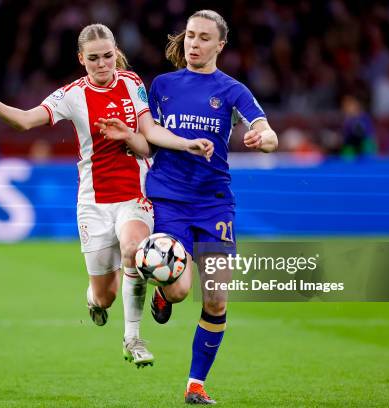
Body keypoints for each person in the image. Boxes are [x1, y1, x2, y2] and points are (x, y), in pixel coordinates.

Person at [0, 23, 213, 368]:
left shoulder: (132, 84)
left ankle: (133, 340)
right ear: (82, 59)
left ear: (115, 54)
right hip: (93, 204)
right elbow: (26, 120)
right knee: (104, 296)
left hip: (133, 197)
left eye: (108, 56)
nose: (103, 64)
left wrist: (183, 143)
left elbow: (148, 135)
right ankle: (94, 301)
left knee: (133, 250)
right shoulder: (71, 96)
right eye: (94, 58)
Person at [97, 10, 278, 404]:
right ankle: (163, 293)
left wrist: (261, 138)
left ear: (220, 46)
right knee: (179, 292)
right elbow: (150, 140)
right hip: (169, 200)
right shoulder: (162, 85)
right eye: (190, 36)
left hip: (214, 204)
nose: (193, 44)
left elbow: (267, 132)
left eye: (202, 38)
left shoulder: (233, 91)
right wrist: (130, 136)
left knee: (215, 299)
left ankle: (195, 384)